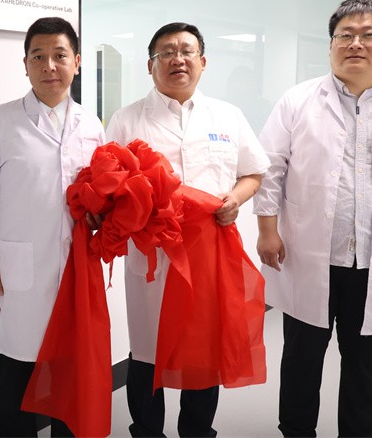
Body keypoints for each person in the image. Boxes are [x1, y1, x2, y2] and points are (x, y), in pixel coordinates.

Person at [254, 0, 372, 437]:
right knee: (301, 358)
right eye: (345, 35)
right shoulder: (297, 101)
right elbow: (270, 168)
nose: (355, 44)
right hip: (310, 254)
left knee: (366, 363)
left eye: (369, 35)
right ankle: (296, 431)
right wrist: (267, 230)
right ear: (331, 43)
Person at [106, 22, 269, 437]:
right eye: (166, 52)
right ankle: (147, 431)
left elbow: (253, 172)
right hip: (153, 256)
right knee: (147, 350)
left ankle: (197, 431)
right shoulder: (126, 120)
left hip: (208, 254)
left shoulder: (227, 116)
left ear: (203, 61)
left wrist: (235, 199)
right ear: (150, 65)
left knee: (203, 348)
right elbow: (109, 186)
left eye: (186, 51)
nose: (177, 59)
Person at [0, 17, 105, 436]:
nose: (49, 66)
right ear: (25, 64)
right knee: (18, 380)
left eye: (60, 55)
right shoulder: (0, 121)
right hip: (19, 273)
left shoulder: (92, 125)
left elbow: (101, 198)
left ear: (77, 62)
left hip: (76, 271)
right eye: (38, 56)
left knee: (70, 378)